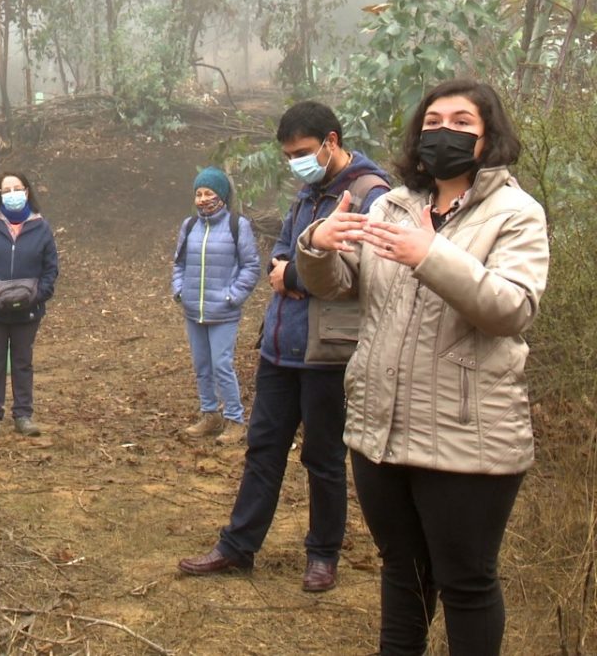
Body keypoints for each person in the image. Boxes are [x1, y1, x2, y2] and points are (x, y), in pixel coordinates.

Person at [298, 80, 548, 655]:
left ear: (489, 137)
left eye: (463, 121)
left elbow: (512, 308)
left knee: (465, 582)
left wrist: (430, 254)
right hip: (381, 431)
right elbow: (339, 285)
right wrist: (320, 245)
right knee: (402, 578)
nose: (445, 131)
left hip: (468, 433)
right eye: (434, 119)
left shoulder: (515, 214)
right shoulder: (392, 204)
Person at [176, 101, 390, 593]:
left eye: (303, 152)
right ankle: (237, 546)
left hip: (328, 352)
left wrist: (293, 273)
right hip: (279, 345)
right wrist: (290, 267)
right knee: (263, 449)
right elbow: (281, 251)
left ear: (331, 142)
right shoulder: (307, 192)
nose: (296, 161)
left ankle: (323, 555)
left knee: (323, 457)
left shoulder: (369, 195)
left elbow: (355, 275)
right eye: (290, 154)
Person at [0, 171, 60, 437]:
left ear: (27, 191)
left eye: (17, 188)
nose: (12, 194)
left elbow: (51, 267)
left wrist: (39, 294)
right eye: (6, 190)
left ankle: (24, 415)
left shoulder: (41, 227)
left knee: (23, 361)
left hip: (29, 309)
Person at [170, 166, 260, 444]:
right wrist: (179, 290)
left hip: (223, 312)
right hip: (193, 310)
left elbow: (251, 266)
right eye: (198, 193)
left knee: (222, 365)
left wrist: (232, 296)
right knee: (202, 365)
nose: (203, 198)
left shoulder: (237, 225)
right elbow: (179, 263)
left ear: (221, 195)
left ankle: (235, 420)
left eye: (209, 193)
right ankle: (210, 415)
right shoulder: (189, 226)